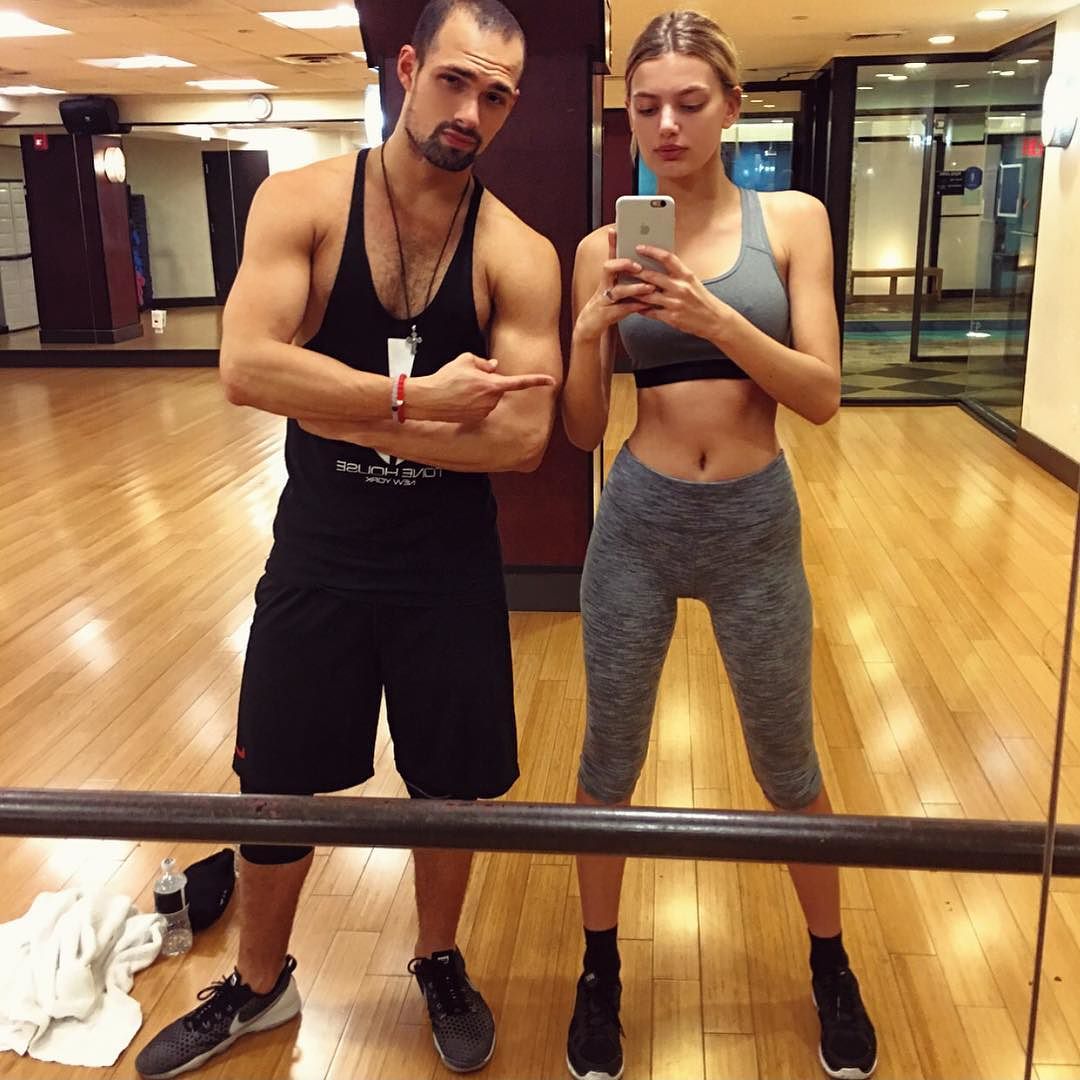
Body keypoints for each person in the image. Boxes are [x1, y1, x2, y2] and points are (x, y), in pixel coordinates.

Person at [134, 1, 562, 1076]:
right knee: (277, 784)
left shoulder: (517, 251)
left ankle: (438, 958)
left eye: (497, 96)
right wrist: (417, 402)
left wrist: (341, 408)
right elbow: (246, 366)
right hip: (319, 554)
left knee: (451, 792)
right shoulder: (304, 202)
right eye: (455, 80)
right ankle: (259, 985)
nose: (471, 111)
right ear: (408, 68)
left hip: (448, 568)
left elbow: (521, 439)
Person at [560, 10, 877, 1080]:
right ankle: (598, 969)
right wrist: (587, 337)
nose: (667, 125)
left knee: (789, 766)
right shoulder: (602, 249)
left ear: (732, 106)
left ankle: (831, 963)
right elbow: (579, 430)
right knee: (608, 762)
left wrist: (718, 319)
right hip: (639, 523)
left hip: (753, 526)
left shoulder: (791, 221)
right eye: (646, 106)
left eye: (690, 103)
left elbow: (821, 395)